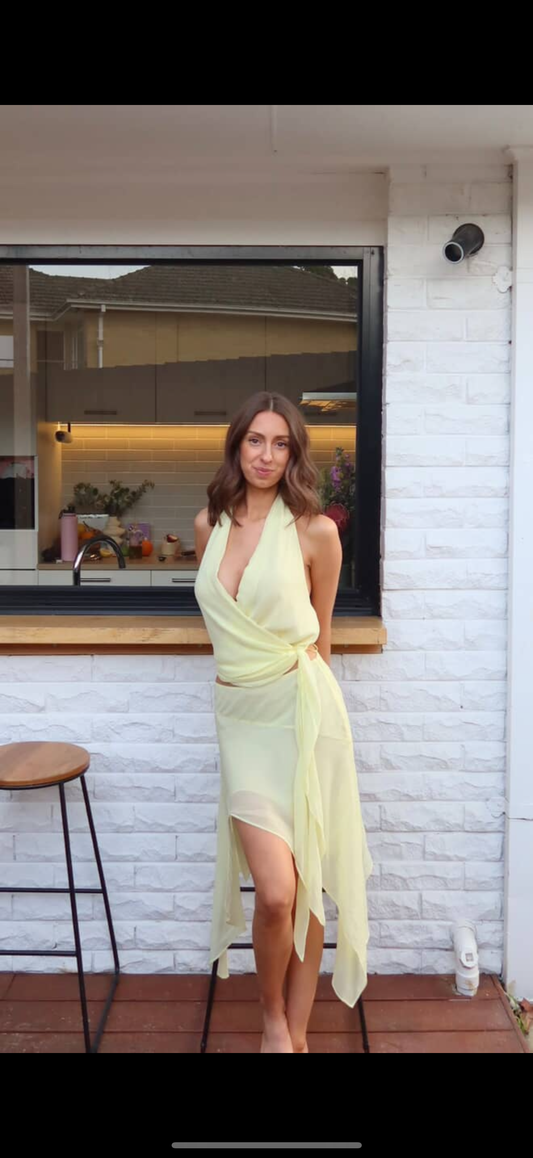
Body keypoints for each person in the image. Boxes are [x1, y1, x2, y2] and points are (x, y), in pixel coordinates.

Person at [194, 391, 373, 1054]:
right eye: (255, 441)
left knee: (305, 885)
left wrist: (317, 721)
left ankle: (292, 1033)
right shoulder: (208, 525)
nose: (266, 456)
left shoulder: (314, 531)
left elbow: (321, 639)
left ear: (294, 453)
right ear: (236, 446)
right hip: (241, 721)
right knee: (275, 891)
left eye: (280, 443)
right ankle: (271, 1015)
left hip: (302, 714)